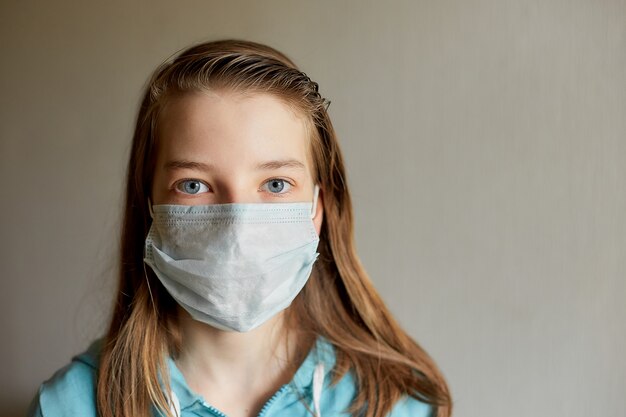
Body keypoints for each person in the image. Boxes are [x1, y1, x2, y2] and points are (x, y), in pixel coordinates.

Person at [28, 39, 451, 417]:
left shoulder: (398, 403)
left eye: (275, 184)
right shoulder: (70, 407)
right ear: (150, 208)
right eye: (194, 185)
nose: (236, 226)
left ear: (316, 211)